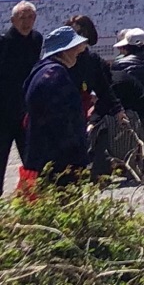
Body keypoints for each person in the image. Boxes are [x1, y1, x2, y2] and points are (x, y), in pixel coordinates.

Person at [22, 26, 90, 194]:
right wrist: (77, 152)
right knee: (64, 204)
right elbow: (63, 120)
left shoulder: (40, 69)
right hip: (59, 157)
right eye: (74, 48)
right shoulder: (56, 75)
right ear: (63, 50)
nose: (77, 52)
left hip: (40, 152)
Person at [64, 16, 130, 179]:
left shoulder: (92, 60)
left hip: (86, 113)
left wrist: (117, 110)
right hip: (62, 112)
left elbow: (104, 88)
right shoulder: (58, 60)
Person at [0, 2, 41, 181]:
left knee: (32, 160)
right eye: (22, 18)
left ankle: (31, 200)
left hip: (27, 111)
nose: (26, 22)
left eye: (30, 17)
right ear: (12, 20)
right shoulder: (3, 42)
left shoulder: (37, 39)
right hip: (3, 111)